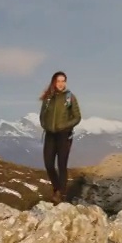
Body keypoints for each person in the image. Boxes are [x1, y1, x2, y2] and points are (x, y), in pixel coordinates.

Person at [39, 70, 81, 203]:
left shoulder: (70, 97)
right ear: (54, 82)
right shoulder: (48, 98)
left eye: (63, 81)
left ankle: (61, 194)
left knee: (62, 165)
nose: (61, 83)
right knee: (49, 165)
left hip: (64, 135)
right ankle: (57, 188)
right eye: (59, 81)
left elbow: (77, 117)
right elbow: (42, 116)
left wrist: (65, 126)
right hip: (50, 135)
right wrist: (46, 126)